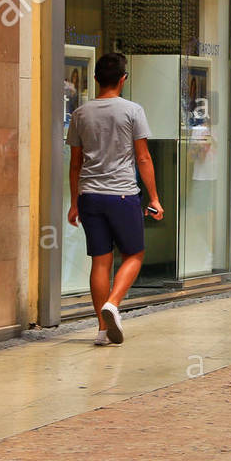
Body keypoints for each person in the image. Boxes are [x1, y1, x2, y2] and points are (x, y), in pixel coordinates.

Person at [66, 51, 163, 346]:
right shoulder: (132, 111)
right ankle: (114, 304)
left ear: (96, 79)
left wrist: (74, 202)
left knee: (100, 260)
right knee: (134, 254)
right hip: (122, 194)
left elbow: (75, 163)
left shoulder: (81, 113)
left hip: (89, 196)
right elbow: (143, 157)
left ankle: (102, 330)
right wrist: (155, 198)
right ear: (123, 79)